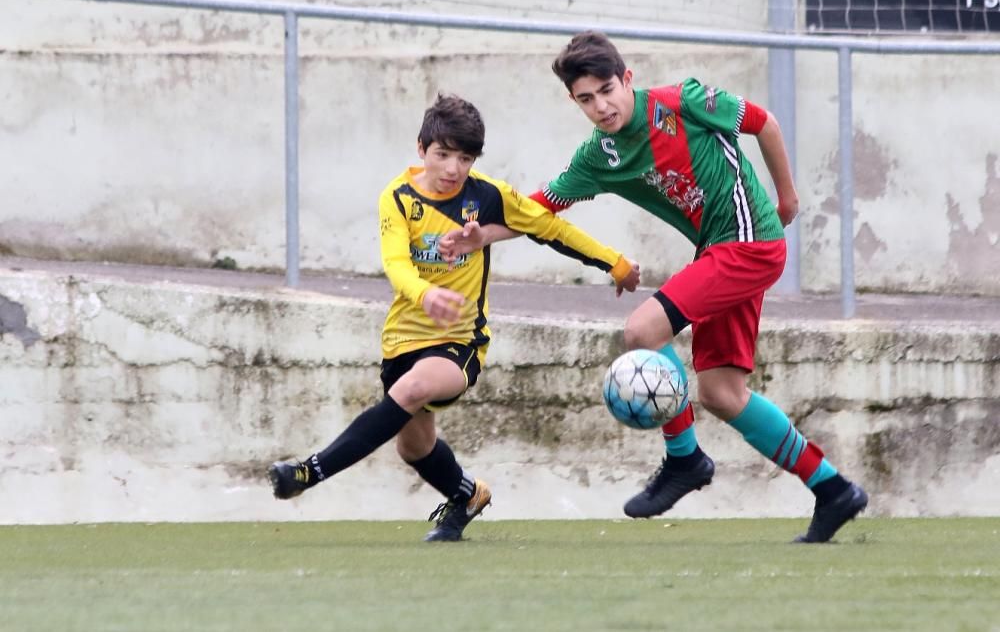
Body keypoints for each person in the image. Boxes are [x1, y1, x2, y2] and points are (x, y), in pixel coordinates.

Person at [438, 31, 868, 543]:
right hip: (717, 252)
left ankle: (684, 459)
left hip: (749, 244)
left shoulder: (682, 102)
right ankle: (832, 489)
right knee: (721, 393)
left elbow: (765, 124)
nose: (601, 106)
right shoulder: (599, 155)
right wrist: (480, 235)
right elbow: (539, 207)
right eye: (586, 99)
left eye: (607, 90)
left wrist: (788, 197)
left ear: (628, 80)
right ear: (573, 101)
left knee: (643, 330)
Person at [268, 93, 641, 542]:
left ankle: (309, 473)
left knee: (414, 388)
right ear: (421, 148)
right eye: (443, 155)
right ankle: (466, 494)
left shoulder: (486, 195)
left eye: (464, 158)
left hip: (460, 342)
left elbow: (549, 227)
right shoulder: (398, 197)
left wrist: (613, 262)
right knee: (414, 445)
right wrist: (424, 295)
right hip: (402, 341)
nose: (452, 169)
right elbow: (395, 263)